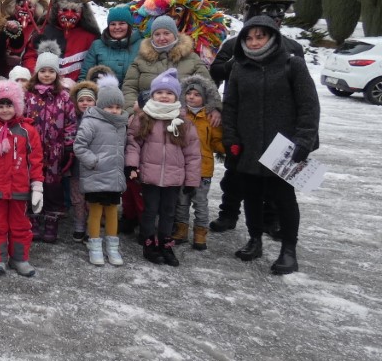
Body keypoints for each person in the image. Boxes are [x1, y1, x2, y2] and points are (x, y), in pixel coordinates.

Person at [222, 16, 320, 275]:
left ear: (273, 37)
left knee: (284, 199)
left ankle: (288, 249)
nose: (253, 42)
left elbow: (309, 106)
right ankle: (255, 240)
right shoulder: (239, 68)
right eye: (249, 37)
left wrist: (304, 139)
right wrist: (230, 139)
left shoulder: (292, 65)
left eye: (260, 36)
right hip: (248, 145)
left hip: (283, 148)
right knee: (251, 196)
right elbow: (230, 106)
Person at [125, 68, 201, 266]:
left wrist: (192, 180)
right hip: (149, 175)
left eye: (169, 93)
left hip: (174, 177)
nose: (164, 96)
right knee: (150, 210)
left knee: (169, 211)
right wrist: (131, 165)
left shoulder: (183, 121)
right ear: (152, 94)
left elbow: (192, 153)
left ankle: (166, 242)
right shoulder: (143, 117)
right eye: (160, 92)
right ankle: (149, 242)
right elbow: (133, 143)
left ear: (176, 96)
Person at [0, 78, 44, 276]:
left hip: (20, 190)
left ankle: (19, 259)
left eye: (9, 105)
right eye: (1, 106)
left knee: (20, 225)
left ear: (17, 106)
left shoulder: (28, 131)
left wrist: (37, 187)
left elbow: (35, 160)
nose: (5, 110)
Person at [23, 41, 77, 243]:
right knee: (33, 182)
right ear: (37, 72)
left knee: (53, 186)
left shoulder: (63, 97)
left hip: (55, 150)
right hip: (32, 149)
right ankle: (34, 218)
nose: (46, 75)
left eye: (51, 71)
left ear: (57, 74)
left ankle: (51, 220)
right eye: (43, 71)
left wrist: (68, 145)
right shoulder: (29, 96)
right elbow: (21, 118)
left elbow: (71, 122)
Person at [74, 74, 129, 266]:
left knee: (113, 212)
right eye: (110, 107)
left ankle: (112, 247)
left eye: (117, 107)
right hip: (96, 175)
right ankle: (95, 245)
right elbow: (79, 146)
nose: (114, 111)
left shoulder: (121, 125)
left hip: (114, 177)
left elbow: (124, 149)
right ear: (100, 106)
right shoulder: (91, 121)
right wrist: (94, 162)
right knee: (96, 212)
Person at [123, 15, 220, 117]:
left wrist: (215, 108)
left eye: (166, 33)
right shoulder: (141, 59)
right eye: (157, 34)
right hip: (146, 117)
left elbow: (208, 85)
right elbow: (129, 87)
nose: (161, 38)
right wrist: (132, 112)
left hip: (182, 117)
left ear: (174, 34)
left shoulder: (191, 58)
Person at [171, 75, 224, 251]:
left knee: (200, 202)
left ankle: (201, 232)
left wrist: (227, 147)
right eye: (189, 93)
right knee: (181, 201)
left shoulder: (209, 118)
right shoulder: (179, 115)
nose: (192, 97)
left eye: (197, 94)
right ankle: (181, 229)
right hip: (183, 167)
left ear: (205, 98)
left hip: (203, 168)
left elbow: (216, 142)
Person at [67, 77, 99, 242]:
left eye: (89, 100)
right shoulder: (74, 120)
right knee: (78, 199)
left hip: (95, 168)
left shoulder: (100, 121)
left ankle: (91, 226)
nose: (85, 103)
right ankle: (79, 225)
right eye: (82, 100)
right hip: (77, 168)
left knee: (92, 199)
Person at [82, 4, 142, 86]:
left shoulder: (142, 45)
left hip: (133, 97)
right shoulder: (97, 45)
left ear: (129, 25)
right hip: (102, 96)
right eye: (113, 24)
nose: (117, 27)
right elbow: (85, 75)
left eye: (122, 23)